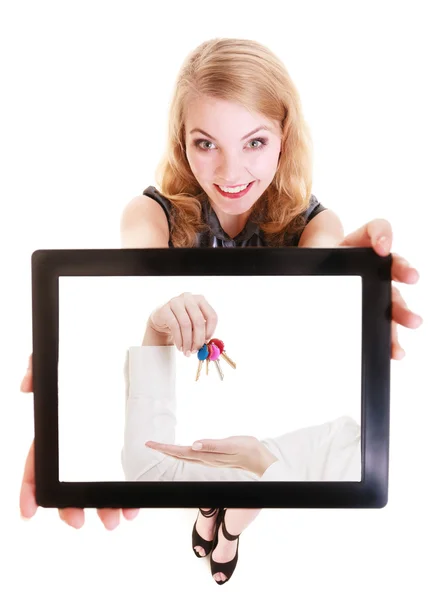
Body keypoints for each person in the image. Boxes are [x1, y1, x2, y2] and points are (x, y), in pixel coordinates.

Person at [19, 37, 422, 585]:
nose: (231, 171)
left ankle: (226, 525)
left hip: (254, 392)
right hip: (187, 383)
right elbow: (129, 277)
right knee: (199, 454)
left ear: (285, 137)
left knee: (256, 457)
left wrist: (348, 285)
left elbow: (305, 319)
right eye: (205, 143)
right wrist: (77, 351)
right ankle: (216, 510)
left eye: (255, 141)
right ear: (181, 143)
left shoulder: (316, 225)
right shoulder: (149, 213)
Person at [123, 293, 362, 583]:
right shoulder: (344, 451)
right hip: (317, 456)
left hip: (296, 475)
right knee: (257, 485)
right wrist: (157, 331)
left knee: (259, 486)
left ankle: (226, 528)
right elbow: (149, 469)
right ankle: (217, 515)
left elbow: (147, 471)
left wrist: (261, 462)